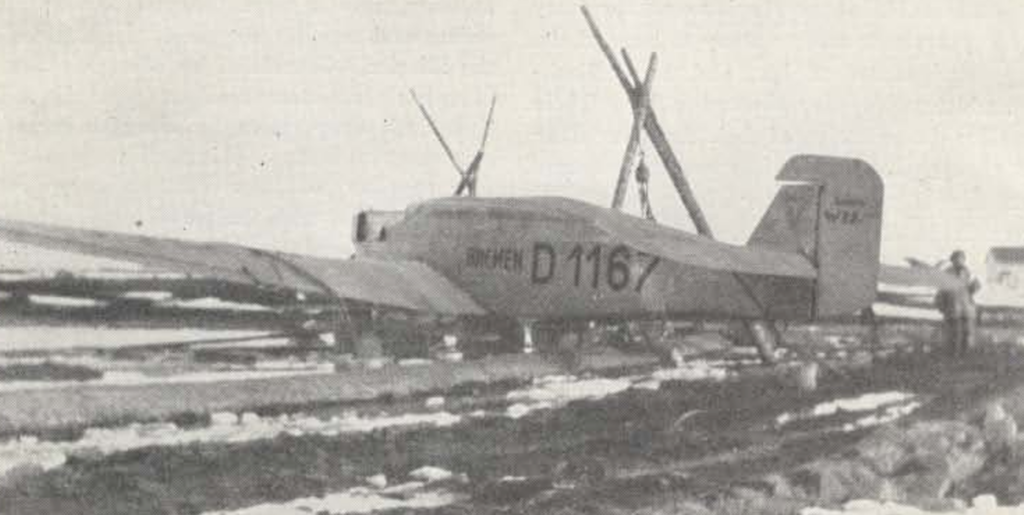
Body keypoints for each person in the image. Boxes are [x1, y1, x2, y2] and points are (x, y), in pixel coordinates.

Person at [937, 250, 981, 357]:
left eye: (961, 259)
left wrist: (975, 287)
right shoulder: (947, 273)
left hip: (966, 308)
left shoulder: (967, 272)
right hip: (952, 307)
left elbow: (970, 290)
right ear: (952, 260)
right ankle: (952, 354)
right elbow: (941, 290)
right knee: (953, 333)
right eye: (956, 259)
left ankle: (965, 355)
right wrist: (941, 305)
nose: (959, 261)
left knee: (966, 332)